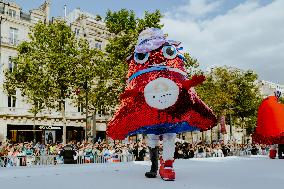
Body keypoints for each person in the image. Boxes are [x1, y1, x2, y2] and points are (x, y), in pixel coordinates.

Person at [107, 28, 217, 181]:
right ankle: (153, 165)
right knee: (152, 137)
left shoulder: (169, 51)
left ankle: (167, 165)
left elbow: (179, 73)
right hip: (150, 110)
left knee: (169, 136)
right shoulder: (138, 58)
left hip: (171, 109)